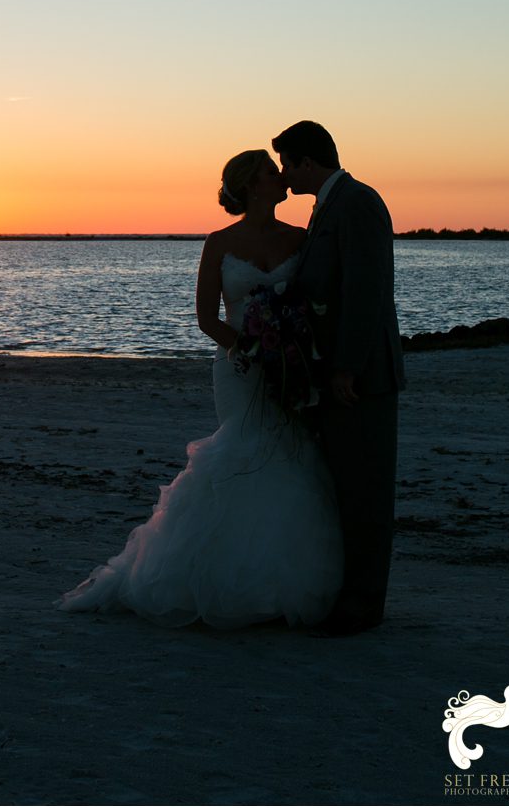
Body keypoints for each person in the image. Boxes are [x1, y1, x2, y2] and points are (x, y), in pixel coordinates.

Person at [57, 149, 342, 629]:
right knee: (240, 451)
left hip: (290, 366)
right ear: (253, 186)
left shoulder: (300, 238)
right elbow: (207, 317)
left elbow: (314, 300)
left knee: (289, 454)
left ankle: (274, 579)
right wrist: (251, 347)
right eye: (272, 174)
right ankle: (217, 578)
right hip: (238, 368)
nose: (282, 178)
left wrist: (292, 348)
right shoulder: (219, 243)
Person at [272, 121, 405, 637]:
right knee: (343, 487)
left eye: (287, 164)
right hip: (335, 375)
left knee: (367, 491)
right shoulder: (327, 206)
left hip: (363, 378)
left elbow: (367, 290)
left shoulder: (358, 203)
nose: (284, 175)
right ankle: (345, 594)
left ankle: (364, 604)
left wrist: (347, 365)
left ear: (307, 162)